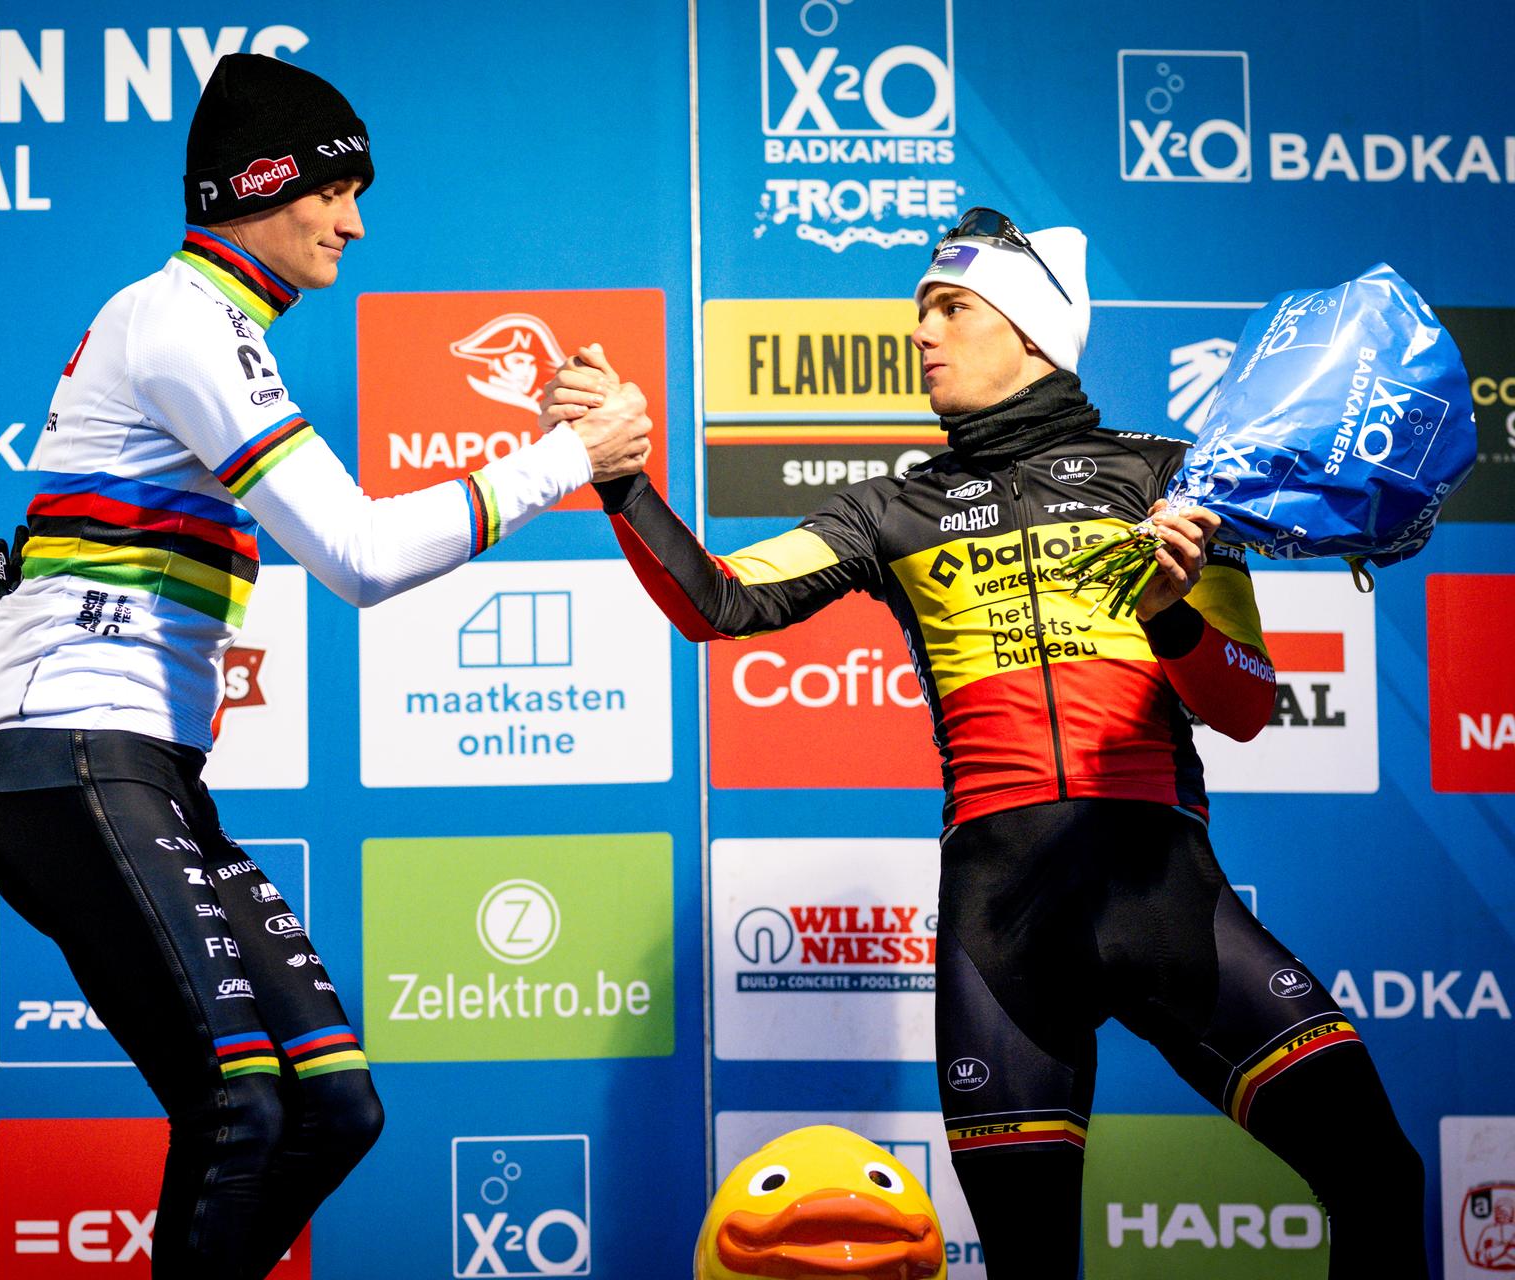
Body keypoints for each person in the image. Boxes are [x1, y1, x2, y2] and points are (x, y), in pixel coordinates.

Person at [541, 208, 1427, 1277]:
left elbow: (1243, 705)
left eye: (950, 307)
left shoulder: (1176, 478)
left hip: (1167, 901)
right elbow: (720, 603)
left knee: (1380, 1176)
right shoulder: (890, 507)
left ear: (1034, 330)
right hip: (1002, 932)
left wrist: (1173, 614)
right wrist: (622, 478)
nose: (924, 332)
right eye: (921, 310)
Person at [0, 54, 650, 1280]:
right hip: (75, 762)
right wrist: (563, 462)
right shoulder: (183, 317)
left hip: (137, 770)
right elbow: (359, 554)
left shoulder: (202, 324)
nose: (356, 223)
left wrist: (559, 450)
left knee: (331, 1105)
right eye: (338, 191)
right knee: (245, 1105)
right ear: (265, 183)